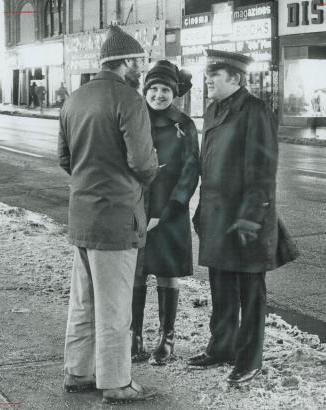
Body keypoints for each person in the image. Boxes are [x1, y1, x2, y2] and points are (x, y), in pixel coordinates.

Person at [58, 25, 159, 404]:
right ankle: (116, 381)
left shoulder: (74, 99)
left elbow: (65, 159)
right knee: (115, 305)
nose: (142, 68)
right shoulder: (129, 99)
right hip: (117, 217)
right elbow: (143, 162)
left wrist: (91, 179)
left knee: (83, 302)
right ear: (126, 62)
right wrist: (148, 175)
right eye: (140, 62)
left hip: (82, 217)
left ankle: (78, 372)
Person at [188, 49, 298, 384]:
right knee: (221, 286)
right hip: (217, 217)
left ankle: (249, 360)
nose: (208, 80)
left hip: (247, 220)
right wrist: (201, 210)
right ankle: (222, 347)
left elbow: (263, 171)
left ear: (235, 78)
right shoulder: (213, 110)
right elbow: (208, 166)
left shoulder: (255, 110)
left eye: (214, 75)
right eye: (209, 74)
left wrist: (251, 218)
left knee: (251, 293)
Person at [131, 60, 200, 365]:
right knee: (136, 273)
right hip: (136, 208)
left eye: (165, 90)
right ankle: (134, 335)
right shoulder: (134, 119)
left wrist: (171, 207)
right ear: (145, 90)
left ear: (174, 93)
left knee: (167, 273)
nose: (159, 95)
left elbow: (190, 171)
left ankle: (166, 338)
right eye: (154, 89)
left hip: (171, 211)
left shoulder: (184, 124)